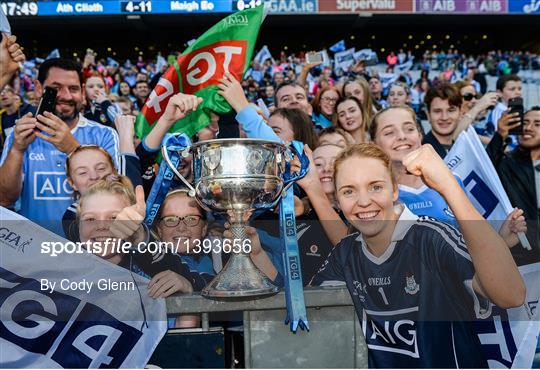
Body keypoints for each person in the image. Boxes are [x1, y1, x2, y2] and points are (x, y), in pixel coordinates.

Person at [310, 143, 525, 368]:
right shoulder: (344, 253)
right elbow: (312, 320)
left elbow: (511, 295)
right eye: (348, 191)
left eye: (375, 187)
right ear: (338, 198)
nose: (363, 201)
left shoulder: (431, 237)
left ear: (394, 190)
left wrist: (448, 186)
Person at [0, 58, 120, 236]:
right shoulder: (19, 135)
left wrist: (74, 149)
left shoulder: (105, 135)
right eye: (55, 89)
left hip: (90, 252)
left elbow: (116, 198)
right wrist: (18, 150)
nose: (66, 96)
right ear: (39, 88)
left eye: (74, 89)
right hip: (34, 250)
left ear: (82, 91)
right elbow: (4, 200)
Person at [491, 107, 540, 261]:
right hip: (520, 255)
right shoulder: (506, 163)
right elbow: (484, 169)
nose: (528, 127)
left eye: (537, 124)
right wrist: (500, 135)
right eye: (524, 123)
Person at [0, 84, 36, 149]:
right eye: (0, 92)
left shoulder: (29, 110)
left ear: (14, 94)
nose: (2, 94)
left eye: (7, 90)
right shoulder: (1, 117)